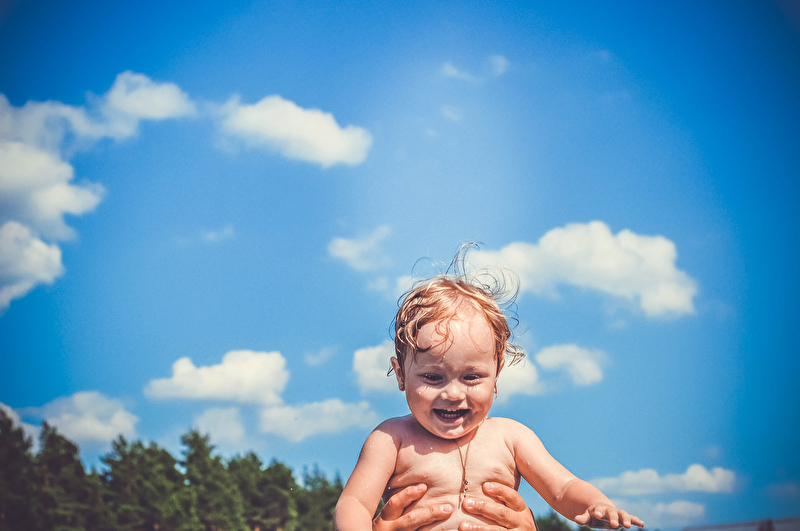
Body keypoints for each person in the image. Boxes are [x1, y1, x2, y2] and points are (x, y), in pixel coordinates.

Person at [335, 252, 645, 531]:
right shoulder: (392, 439)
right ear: (401, 374)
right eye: (432, 377)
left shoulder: (511, 438)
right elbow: (355, 504)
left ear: (496, 374)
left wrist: (596, 504)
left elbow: (564, 488)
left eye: (471, 377)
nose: (453, 394)